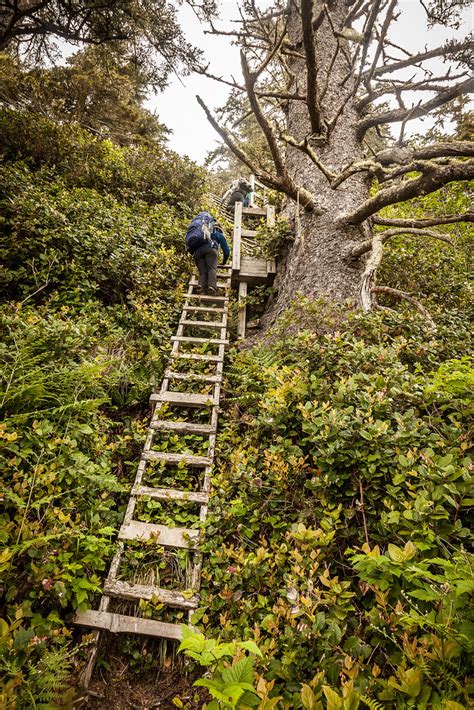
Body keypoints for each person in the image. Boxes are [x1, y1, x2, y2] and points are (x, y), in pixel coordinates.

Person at [185, 213, 230, 295]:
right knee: (211, 269)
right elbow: (226, 251)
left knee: (203, 271)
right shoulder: (219, 235)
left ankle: (200, 286)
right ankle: (212, 287)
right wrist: (223, 262)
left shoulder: (204, 232)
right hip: (210, 250)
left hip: (197, 252)